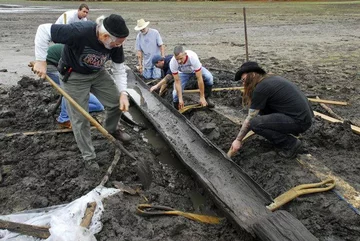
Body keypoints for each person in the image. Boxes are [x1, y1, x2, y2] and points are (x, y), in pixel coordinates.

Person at [32, 14, 131, 170]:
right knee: (80, 118)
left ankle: (111, 129)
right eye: (117, 43)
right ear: (105, 36)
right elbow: (43, 30)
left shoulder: (116, 43)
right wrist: (41, 60)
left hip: (98, 73)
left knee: (115, 102)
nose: (119, 46)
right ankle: (89, 157)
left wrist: (124, 93)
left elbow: (119, 69)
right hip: (74, 76)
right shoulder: (79, 31)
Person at [229, 61, 314, 158]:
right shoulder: (271, 79)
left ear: (252, 74)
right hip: (305, 118)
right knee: (262, 112)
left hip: (300, 121)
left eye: (244, 80)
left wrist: (238, 140)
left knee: (255, 123)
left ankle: (291, 144)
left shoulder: (261, 88)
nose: (243, 83)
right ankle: (290, 132)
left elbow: (250, 118)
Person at [46, 44, 104, 129]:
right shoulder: (79, 55)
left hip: (58, 64)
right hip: (49, 65)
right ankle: (64, 119)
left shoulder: (85, 54)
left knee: (98, 106)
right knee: (68, 90)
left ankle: (71, 110)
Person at [169, 45, 214, 110]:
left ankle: (206, 98)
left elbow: (199, 78)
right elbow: (177, 81)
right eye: (177, 59)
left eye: (181, 58)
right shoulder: (173, 62)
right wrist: (180, 99)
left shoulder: (193, 57)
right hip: (183, 73)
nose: (179, 61)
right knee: (175, 94)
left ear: (185, 54)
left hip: (195, 70)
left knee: (209, 77)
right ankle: (177, 107)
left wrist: (201, 97)